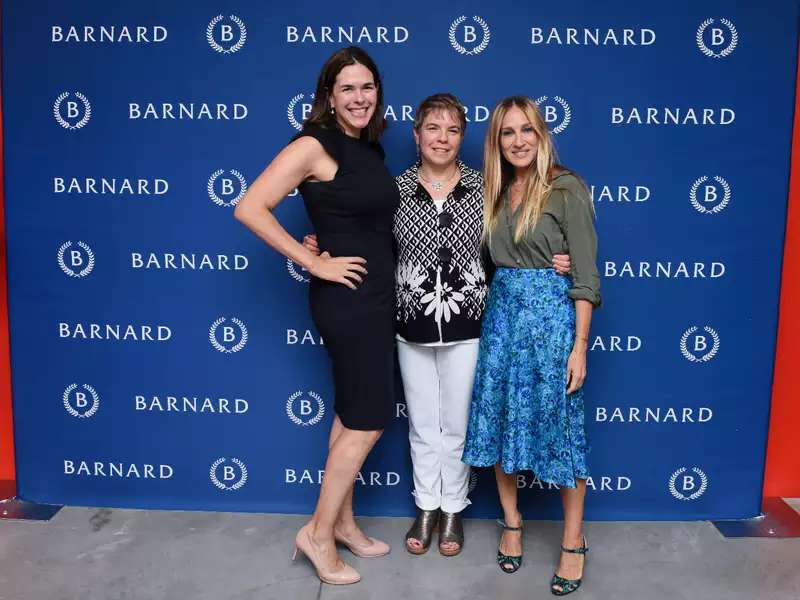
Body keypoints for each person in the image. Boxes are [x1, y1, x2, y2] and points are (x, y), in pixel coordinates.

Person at [305, 93, 571, 558]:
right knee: (424, 424)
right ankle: (426, 505)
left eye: (451, 130)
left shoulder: (485, 188)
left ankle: (453, 509)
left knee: (459, 424)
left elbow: (519, 233)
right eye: (433, 128)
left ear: (461, 137)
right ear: (417, 135)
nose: (442, 138)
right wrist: (320, 245)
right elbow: (360, 232)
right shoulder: (395, 190)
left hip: (470, 322)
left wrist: (554, 262)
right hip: (410, 321)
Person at [234, 46, 399, 586]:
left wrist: (323, 237)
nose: (359, 97)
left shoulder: (368, 150)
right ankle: (319, 534)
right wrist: (312, 259)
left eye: (367, 87)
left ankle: (345, 522)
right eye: (348, 88)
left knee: (350, 415)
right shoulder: (314, 145)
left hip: (376, 300)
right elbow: (250, 206)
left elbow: (354, 219)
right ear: (329, 95)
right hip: (348, 302)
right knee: (369, 419)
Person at [461, 96, 601, 596]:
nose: (518, 141)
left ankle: (572, 542)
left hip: (553, 326)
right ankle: (513, 523)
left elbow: (585, 277)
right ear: (496, 141)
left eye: (527, 131)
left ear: (542, 135)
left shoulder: (566, 188)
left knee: (562, 433)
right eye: (507, 133)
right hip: (502, 321)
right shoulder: (494, 193)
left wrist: (579, 346)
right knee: (502, 425)